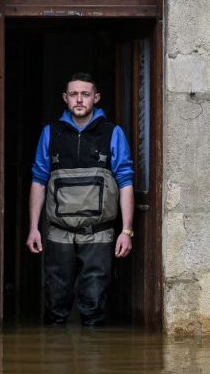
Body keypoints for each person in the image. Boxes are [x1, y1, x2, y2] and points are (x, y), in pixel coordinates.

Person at [27, 72, 135, 326]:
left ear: (96, 97)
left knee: (95, 308)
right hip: (58, 233)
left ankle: (93, 359)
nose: (79, 100)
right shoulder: (50, 133)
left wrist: (127, 231)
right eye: (74, 94)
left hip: (99, 234)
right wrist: (33, 229)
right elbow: (38, 180)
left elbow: (125, 182)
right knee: (55, 306)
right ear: (65, 98)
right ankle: (55, 359)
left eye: (85, 94)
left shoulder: (113, 133)